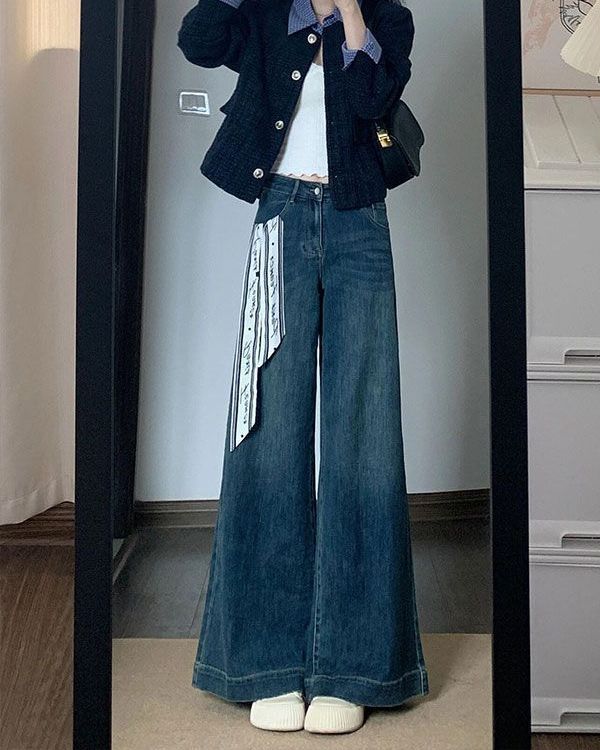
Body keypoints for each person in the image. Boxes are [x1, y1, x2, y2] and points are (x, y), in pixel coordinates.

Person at [177, 0, 428, 735]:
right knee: (267, 429)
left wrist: (350, 14)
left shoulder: (389, 19)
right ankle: (263, 665)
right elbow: (198, 41)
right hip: (279, 219)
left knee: (364, 435)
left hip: (360, 225)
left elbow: (374, 99)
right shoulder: (263, 14)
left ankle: (355, 670)